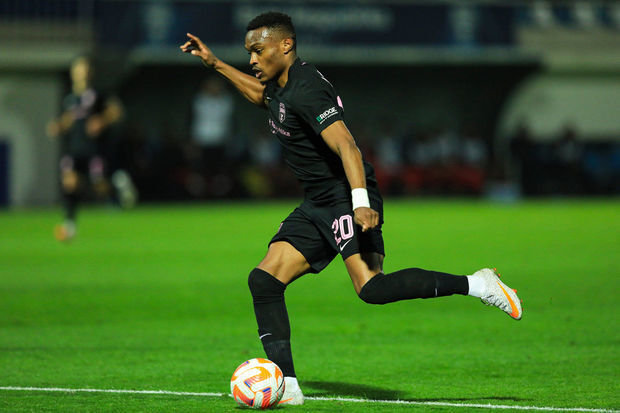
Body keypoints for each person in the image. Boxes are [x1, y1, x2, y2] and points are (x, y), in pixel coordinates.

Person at [181, 12, 522, 406]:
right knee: (264, 280)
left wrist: (360, 203)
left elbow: (347, 146)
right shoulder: (278, 85)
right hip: (317, 202)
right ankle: (287, 386)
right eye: (248, 53)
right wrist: (215, 63)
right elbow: (263, 98)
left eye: (258, 51)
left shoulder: (307, 89)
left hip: (345, 197)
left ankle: (479, 284)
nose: (252, 60)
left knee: (372, 288)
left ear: (285, 45)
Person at [47, 56, 135, 241]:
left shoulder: (98, 95)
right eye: (79, 70)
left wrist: (101, 121)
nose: (82, 74)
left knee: (99, 186)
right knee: (70, 183)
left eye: (85, 70)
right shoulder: (70, 99)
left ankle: (118, 185)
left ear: (90, 73)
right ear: (73, 73)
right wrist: (59, 126)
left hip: (94, 149)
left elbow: (117, 111)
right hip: (74, 149)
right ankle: (70, 225)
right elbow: (69, 120)